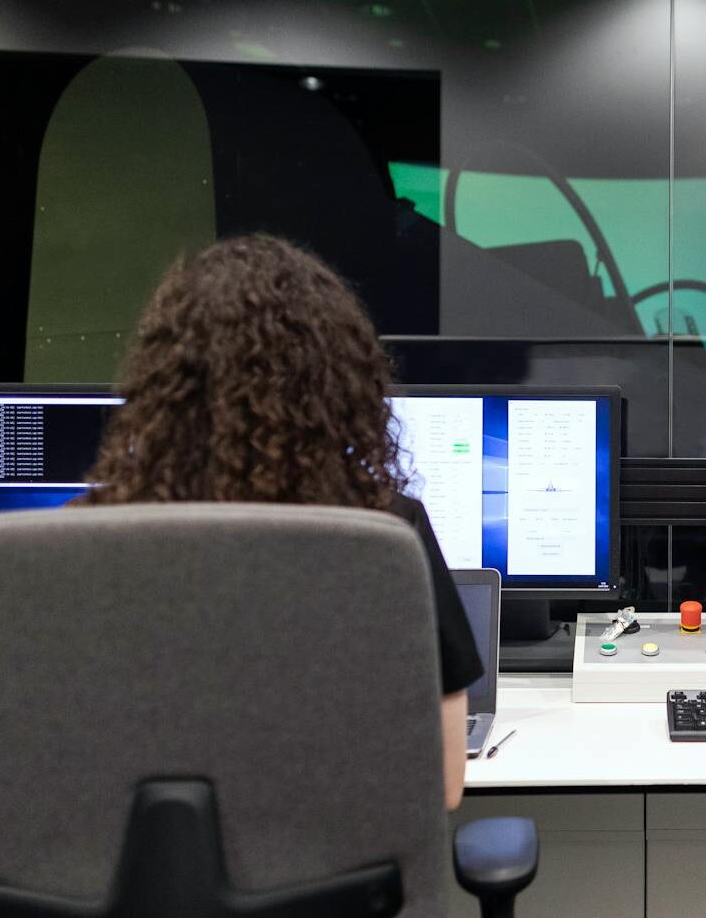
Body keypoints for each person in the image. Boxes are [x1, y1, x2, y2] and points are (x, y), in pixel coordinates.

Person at [80, 233, 482, 810]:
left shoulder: (80, 544)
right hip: (337, 864)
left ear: (160, 382)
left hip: (138, 863)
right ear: (338, 386)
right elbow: (442, 786)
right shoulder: (387, 538)